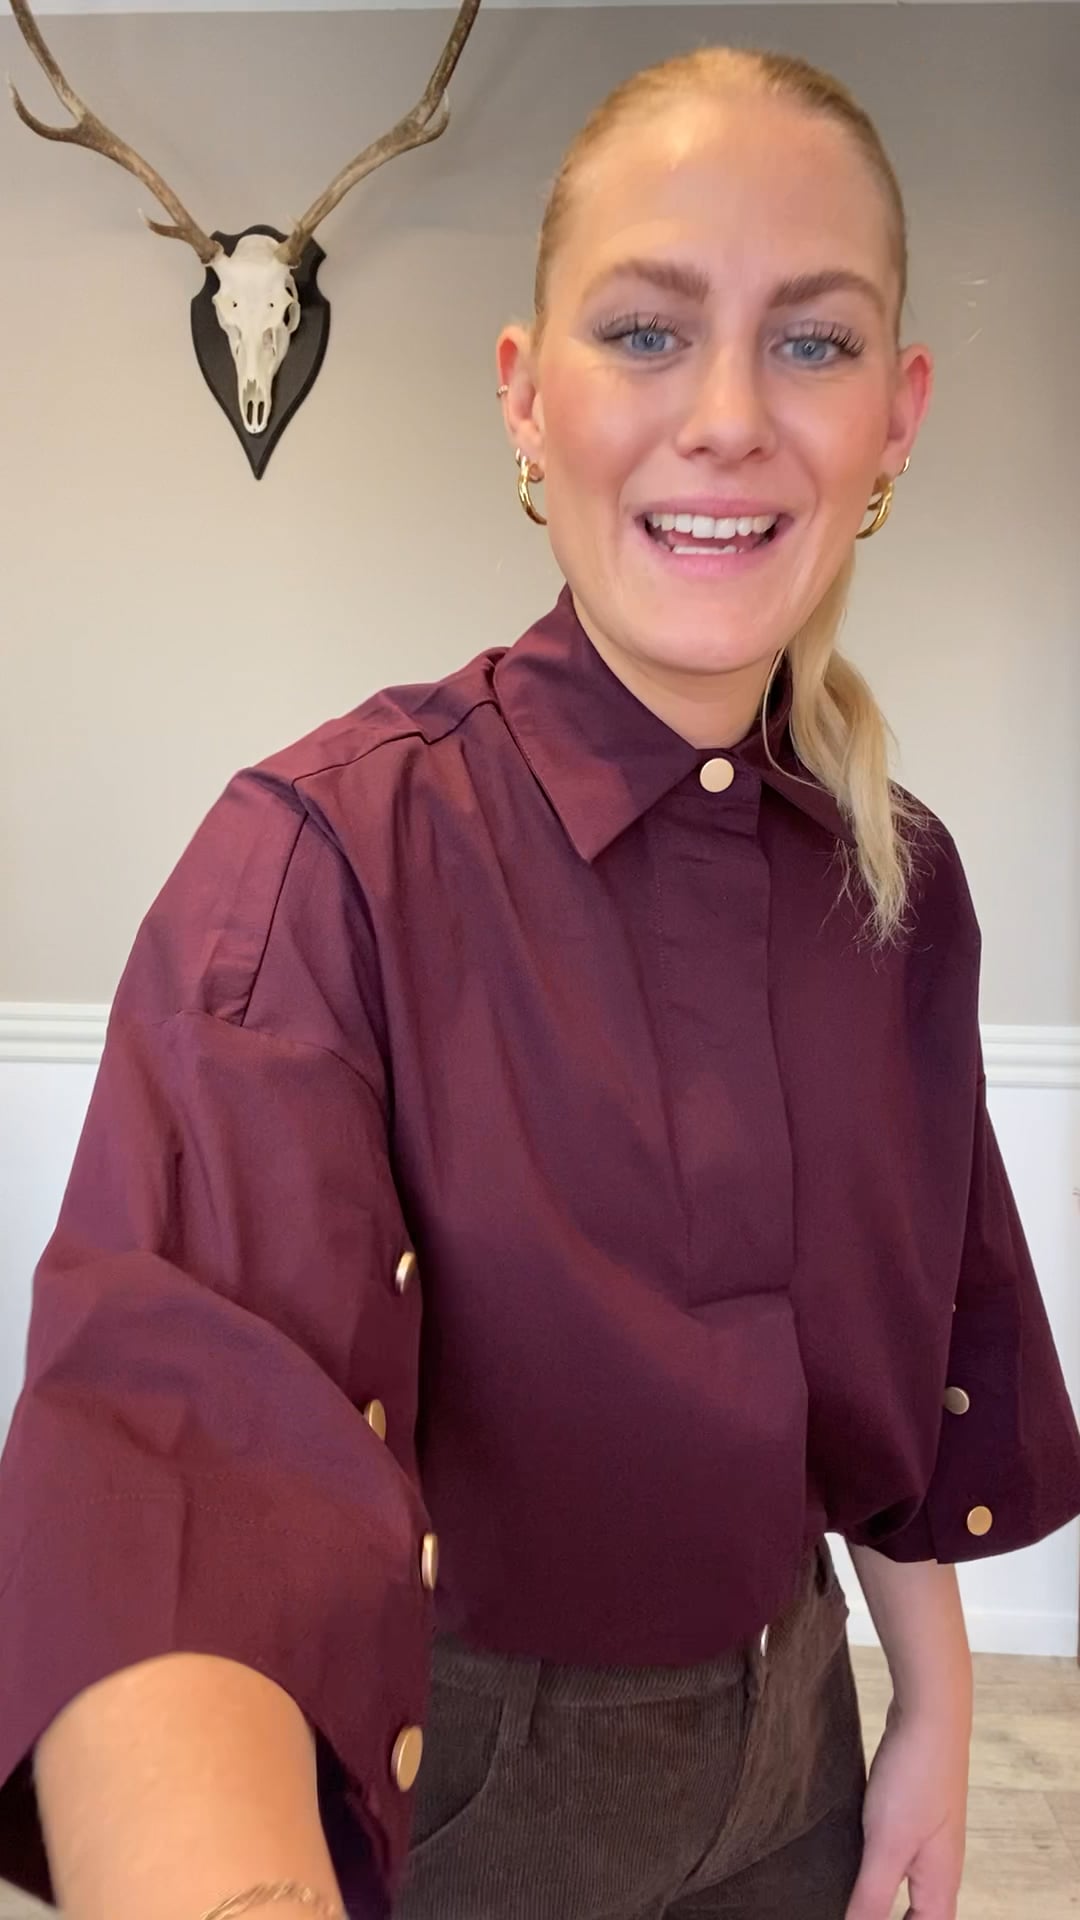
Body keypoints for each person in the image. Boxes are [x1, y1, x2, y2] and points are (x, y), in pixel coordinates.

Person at [1, 39, 1078, 1920]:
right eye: (647, 332)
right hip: (474, 1793)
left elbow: (914, 1352)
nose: (728, 416)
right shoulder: (323, 860)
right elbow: (174, 1453)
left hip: (802, 1745)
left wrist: (932, 1694)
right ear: (524, 392)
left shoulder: (901, 885)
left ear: (897, 415)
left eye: (813, 342)